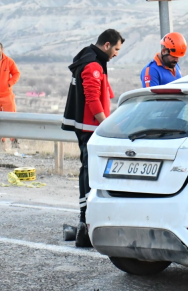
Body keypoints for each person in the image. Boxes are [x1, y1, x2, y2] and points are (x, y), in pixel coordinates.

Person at [61, 29, 124, 247]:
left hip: (89, 128)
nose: (116, 53)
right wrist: (106, 124)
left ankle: (85, 223)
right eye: (116, 49)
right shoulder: (93, 66)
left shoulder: (90, 59)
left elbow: (103, 93)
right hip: (91, 129)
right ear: (107, 45)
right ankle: (84, 223)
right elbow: (93, 99)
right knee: (90, 173)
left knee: (88, 171)